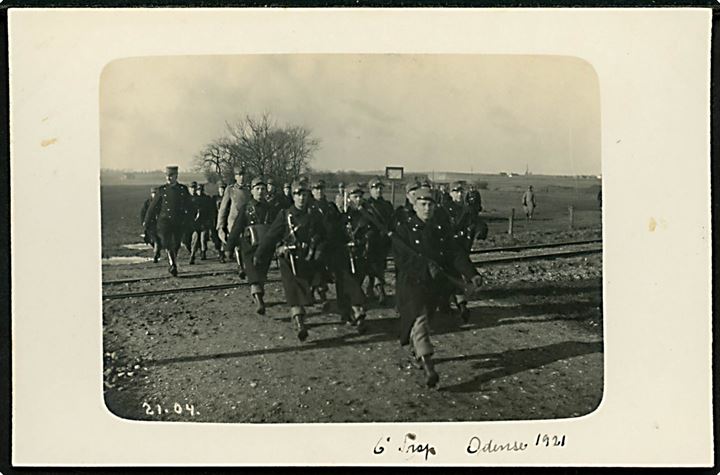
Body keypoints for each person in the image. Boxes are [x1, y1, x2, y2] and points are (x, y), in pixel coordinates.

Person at [392, 187, 483, 388]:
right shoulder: (404, 229)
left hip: (434, 287)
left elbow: (455, 254)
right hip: (412, 285)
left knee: (426, 320)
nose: (427, 208)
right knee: (420, 319)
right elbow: (402, 259)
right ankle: (428, 367)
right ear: (414, 206)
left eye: (430, 204)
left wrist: (472, 274)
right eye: (422, 204)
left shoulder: (439, 230)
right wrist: (425, 268)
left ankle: (417, 351)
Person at [254, 179, 326, 341]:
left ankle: (301, 315)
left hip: (307, 258)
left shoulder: (314, 215)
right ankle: (299, 322)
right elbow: (271, 236)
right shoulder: (285, 215)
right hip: (289, 259)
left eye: (304, 194)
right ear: (293, 196)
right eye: (297, 194)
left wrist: (319, 250)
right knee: (293, 290)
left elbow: (322, 235)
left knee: (304, 289)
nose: (301, 198)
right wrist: (260, 254)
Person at [226, 177, 282, 315]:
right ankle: (258, 300)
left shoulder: (272, 209)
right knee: (252, 272)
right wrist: (229, 247)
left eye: (263, 189)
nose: (260, 192)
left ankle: (258, 295)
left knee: (262, 272)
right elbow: (237, 227)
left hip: (266, 245)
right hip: (249, 245)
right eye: (257, 189)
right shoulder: (246, 208)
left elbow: (278, 227)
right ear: (252, 191)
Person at [442, 181, 487, 322]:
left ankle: (456, 304)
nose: (459, 195)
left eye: (461, 192)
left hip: (462, 247)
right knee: (449, 275)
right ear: (450, 194)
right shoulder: (443, 210)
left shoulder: (468, 210)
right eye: (456, 192)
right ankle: (456, 304)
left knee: (453, 275)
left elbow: (479, 222)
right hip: (447, 248)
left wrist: (481, 231)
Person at [142, 166, 194, 276]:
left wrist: (189, 219)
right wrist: (146, 222)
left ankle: (173, 261)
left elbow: (189, 206)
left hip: (179, 221)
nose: (169, 178)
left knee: (176, 244)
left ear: (176, 176)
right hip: (164, 221)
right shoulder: (162, 190)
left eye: (171, 176)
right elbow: (152, 207)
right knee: (167, 242)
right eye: (167, 176)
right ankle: (173, 264)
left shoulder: (182, 190)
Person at [308, 179, 341, 307]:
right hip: (315, 243)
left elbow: (338, 223)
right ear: (312, 191)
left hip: (331, 242)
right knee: (317, 263)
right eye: (316, 189)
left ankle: (320, 288)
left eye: (321, 189)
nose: (319, 192)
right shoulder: (309, 207)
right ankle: (318, 290)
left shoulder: (330, 206)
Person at [364, 177, 394, 304]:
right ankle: (378, 288)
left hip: (384, 240)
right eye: (375, 188)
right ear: (370, 190)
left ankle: (371, 287)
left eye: (380, 188)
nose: (378, 190)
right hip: (371, 240)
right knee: (373, 264)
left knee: (380, 264)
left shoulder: (387, 205)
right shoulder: (366, 205)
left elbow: (391, 221)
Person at [217, 167, 252, 276]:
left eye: (243, 175)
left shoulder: (249, 190)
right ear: (235, 177)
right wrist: (220, 225)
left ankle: (247, 265)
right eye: (239, 175)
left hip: (247, 220)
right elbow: (223, 208)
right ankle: (240, 266)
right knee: (237, 243)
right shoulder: (230, 190)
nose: (241, 177)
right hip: (233, 221)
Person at [189, 184, 217, 264]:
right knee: (195, 239)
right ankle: (192, 255)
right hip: (196, 223)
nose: (199, 191)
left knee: (203, 239)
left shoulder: (206, 199)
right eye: (198, 190)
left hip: (204, 222)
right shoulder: (193, 199)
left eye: (200, 190)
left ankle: (203, 252)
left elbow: (210, 211)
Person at [140, 187, 162, 263]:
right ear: (151, 194)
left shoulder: (161, 202)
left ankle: (156, 255)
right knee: (150, 239)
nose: (154, 195)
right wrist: (143, 221)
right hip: (150, 225)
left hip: (159, 224)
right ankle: (157, 251)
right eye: (153, 193)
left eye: (156, 193)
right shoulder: (147, 202)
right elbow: (143, 213)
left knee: (157, 240)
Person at [211, 182, 227, 262]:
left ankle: (222, 254)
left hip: (225, 220)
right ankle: (219, 251)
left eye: (223, 189)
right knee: (216, 238)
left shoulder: (228, 198)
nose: (222, 190)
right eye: (221, 189)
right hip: (216, 219)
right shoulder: (215, 198)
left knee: (224, 236)